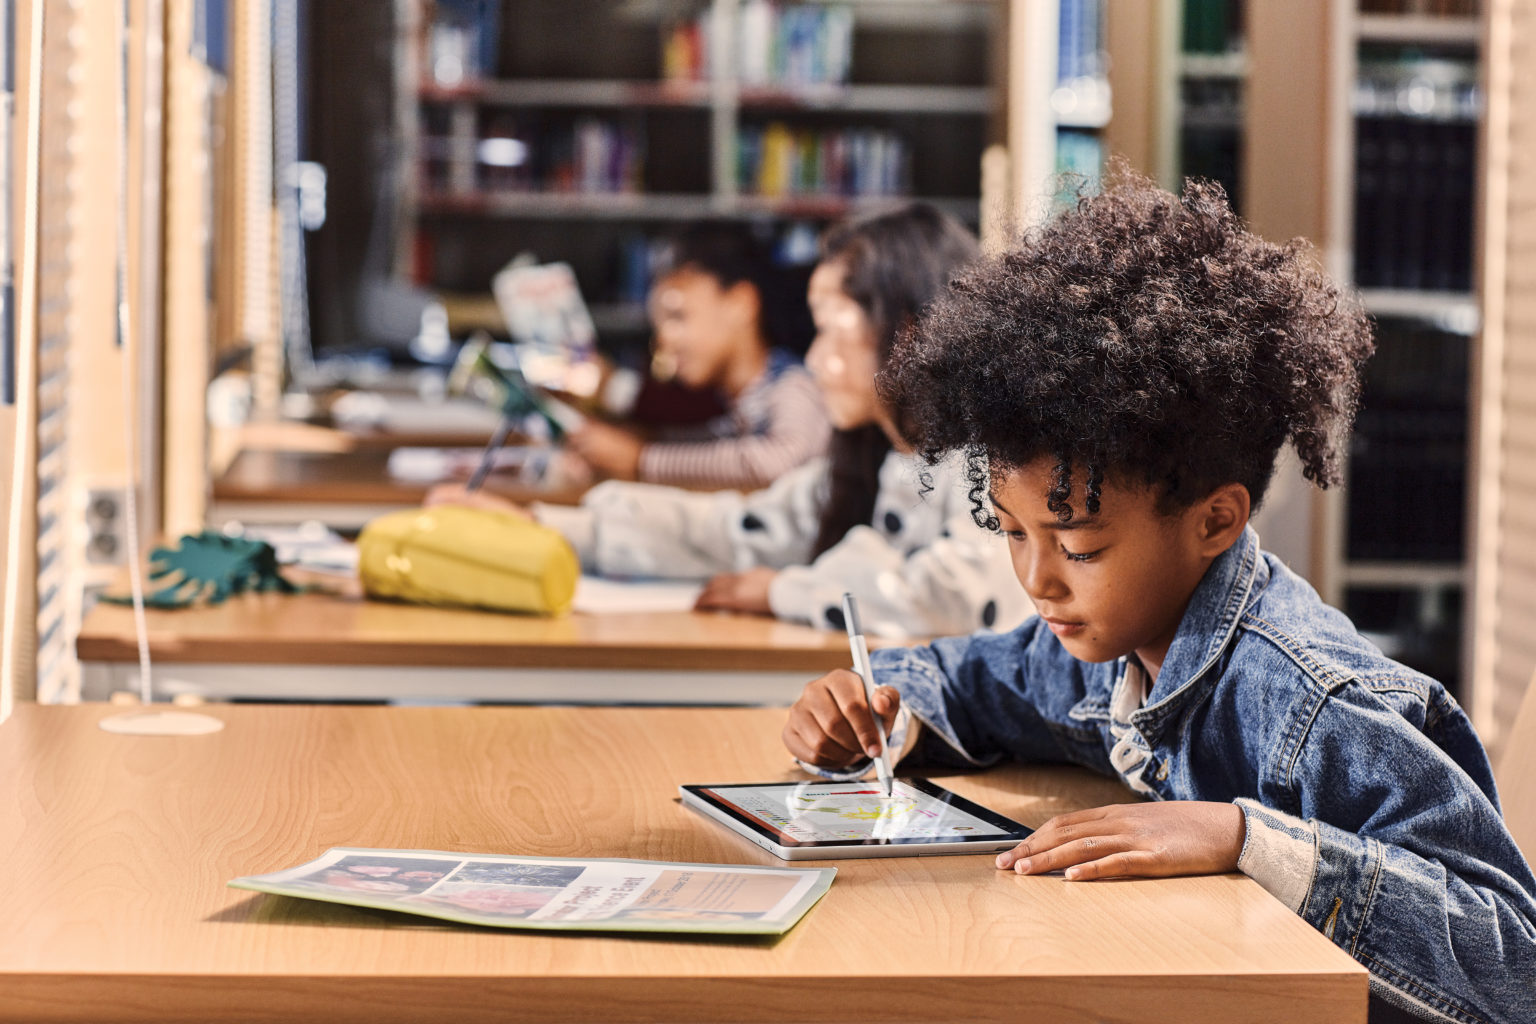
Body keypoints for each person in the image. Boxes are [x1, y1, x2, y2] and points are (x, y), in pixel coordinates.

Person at [782, 172, 1536, 1023]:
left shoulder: (1314, 702)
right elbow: (974, 681)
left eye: (1080, 547)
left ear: (1214, 521)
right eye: (1013, 533)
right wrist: (878, 710)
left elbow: (1513, 958)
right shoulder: (1109, 646)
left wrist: (1241, 836)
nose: (1038, 581)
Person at [429, 203, 1030, 638]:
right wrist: (545, 526)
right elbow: (736, 529)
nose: (815, 361)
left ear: (908, 332)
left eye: (831, 331)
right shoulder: (869, 455)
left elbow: (956, 595)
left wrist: (785, 589)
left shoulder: (989, 465)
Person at [561, 222, 830, 490]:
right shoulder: (741, 404)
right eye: (658, 325)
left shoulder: (794, 385)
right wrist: (630, 445)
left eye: (678, 316)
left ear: (741, 303)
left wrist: (642, 460)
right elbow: (713, 445)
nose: (663, 339)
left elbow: (781, 461)